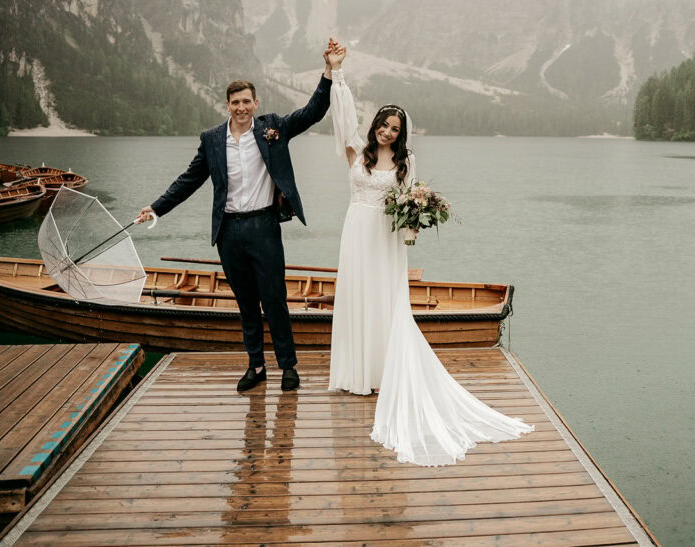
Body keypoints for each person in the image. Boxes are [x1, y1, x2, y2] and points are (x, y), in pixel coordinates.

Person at [326, 44, 533, 466]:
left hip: (385, 239)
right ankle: (356, 375)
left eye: (395, 128)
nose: (387, 132)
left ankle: (384, 372)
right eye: (383, 125)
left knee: (385, 300)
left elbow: (407, 202)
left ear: (402, 134)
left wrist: (414, 223)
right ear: (375, 126)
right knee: (356, 296)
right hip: (355, 232)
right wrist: (337, 74)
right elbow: (341, 114)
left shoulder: (406, 162)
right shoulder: (355, 151)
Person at [136, 40, 342, 392]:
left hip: (264, 227)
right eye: (236, 102)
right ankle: (256, 365)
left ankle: (288, 367)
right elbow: (189, 179)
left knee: (274, 298)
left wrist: (329, 71)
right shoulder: (213, 139)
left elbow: (312, 112)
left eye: (247, 101)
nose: (242, 107)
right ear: (227, 106)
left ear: (255, 103)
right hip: (229, 232)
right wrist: (157, 207)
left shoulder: (272, 129)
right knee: (246, 302)